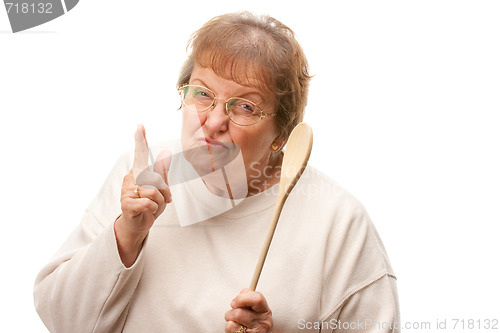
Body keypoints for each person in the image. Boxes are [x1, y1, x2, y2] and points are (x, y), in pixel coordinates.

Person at [34, 11, 400, 333]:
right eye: (202, 94)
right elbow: (63, 321)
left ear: (282, 135)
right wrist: (126, 235)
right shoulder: (140, 178)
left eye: (243, 106)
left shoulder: (337, 223)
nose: (212, 122)